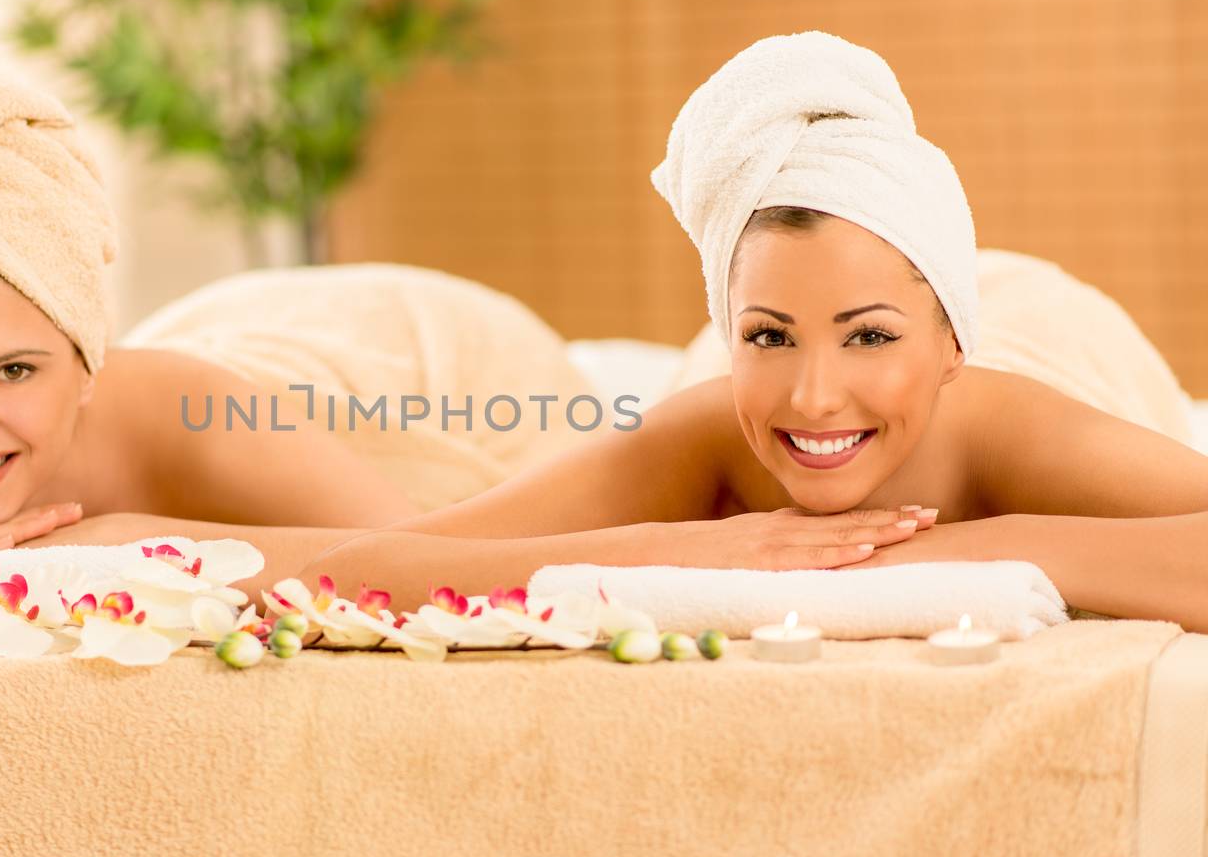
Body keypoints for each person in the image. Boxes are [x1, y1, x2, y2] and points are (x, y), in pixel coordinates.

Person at [299, 31, 1208, 632]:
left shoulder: (1018, 431)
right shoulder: (698, 435)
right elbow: (362, 573)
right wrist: (691, 551)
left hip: (1055, 324)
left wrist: (919, 554)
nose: (814, 396)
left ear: (951, 347)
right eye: (769, 338)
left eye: (869, 338)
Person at [0, 62, 590, 617]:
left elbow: (432, 571)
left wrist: (128, 548)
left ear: (84, 360)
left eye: (15, 369)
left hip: (398, 352)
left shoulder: (191, 421)